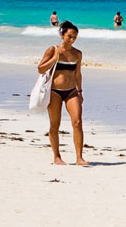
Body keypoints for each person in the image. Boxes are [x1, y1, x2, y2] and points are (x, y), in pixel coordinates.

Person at [36, 21, 88, 166]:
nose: (72, 39)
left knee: (77, 122)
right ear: (62, 35)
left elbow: (78, 74)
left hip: (72, 91)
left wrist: (80, 91)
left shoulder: (77, 53)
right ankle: (57, 157)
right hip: (54, 92)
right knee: (55, 124)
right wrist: (54, 59)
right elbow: (40, 69)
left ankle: (79, 158)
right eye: (69, 36)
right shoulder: (52, 50)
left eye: (75, 37)